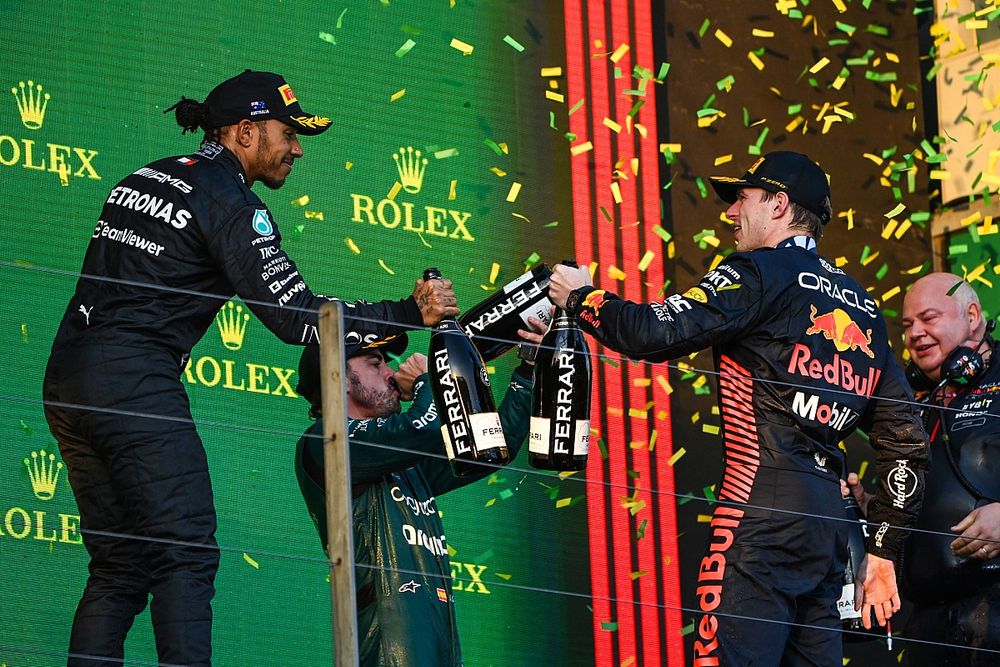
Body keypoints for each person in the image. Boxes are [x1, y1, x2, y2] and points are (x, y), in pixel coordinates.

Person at [42, 69, 457, 667]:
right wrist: (407, 311)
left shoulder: (149, 175)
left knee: (120, 564)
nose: (297, 147)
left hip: (67, 381)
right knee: (184, 554)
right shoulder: (231, 201)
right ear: (245, 131)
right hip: (133, 380)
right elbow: (296, 319)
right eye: (287, 133)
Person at [548, 151, 929, 665]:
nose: (730, 213)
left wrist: (582, 297)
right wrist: (883, 550)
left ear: (777, 204)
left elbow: (655, 332)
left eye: (742, 199)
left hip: (758, 509)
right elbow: (905, 441)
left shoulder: (757, 271)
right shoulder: (863, 306)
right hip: (826, 528)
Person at [294, 319, 546, 667]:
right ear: (338, 377)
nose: (390, 372)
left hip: (437, 644)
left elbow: (491, 446)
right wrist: (430, 379)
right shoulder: (325, 440)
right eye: (376, 362)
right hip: (386, 649)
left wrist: (529, 369)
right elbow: (423, 427)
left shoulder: (403, 461)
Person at [848, 273, 1000, 666]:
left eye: (929, 318)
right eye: (907, 325)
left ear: (971, 315)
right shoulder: (906, 401)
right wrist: (874, 510)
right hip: (927, 622)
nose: (915, 333)